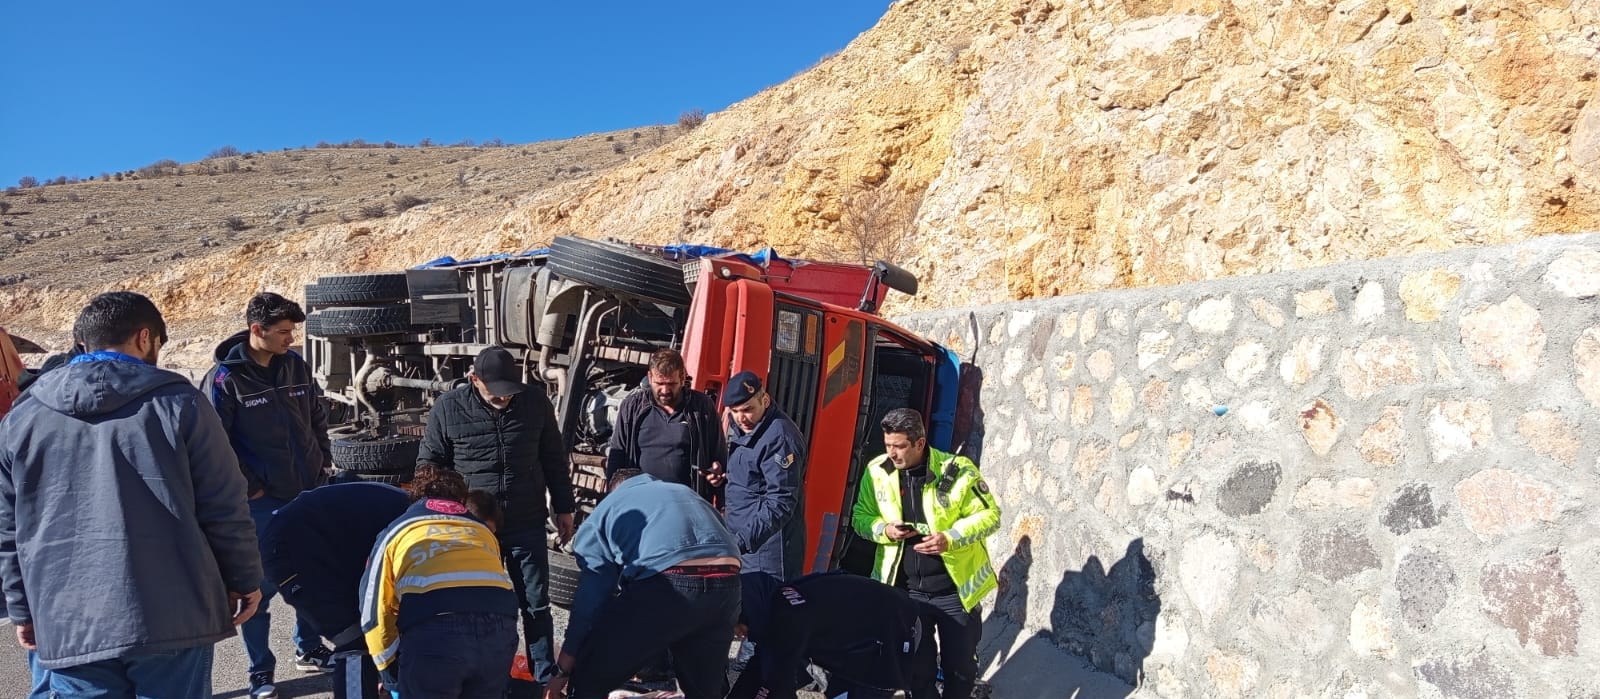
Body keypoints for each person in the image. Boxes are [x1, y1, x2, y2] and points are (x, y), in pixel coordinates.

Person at [0, 291, 263, 698]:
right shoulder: (180, 402)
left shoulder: (23, 417)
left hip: (69, 617)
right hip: (173, 614)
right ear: (145, 339)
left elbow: (10, 526)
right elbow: (224, 503)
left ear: (83, 344)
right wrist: (244, 578)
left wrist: (21, 605)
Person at [417, 345, 577, 687]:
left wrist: (564, 507)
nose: (504, 398)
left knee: (535, 603)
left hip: (525, 521)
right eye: (497, 391)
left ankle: (543, 676)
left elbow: (553, 458)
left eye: (510, 391)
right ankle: (475, 674)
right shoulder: (448, 409)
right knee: (472, 606)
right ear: (475, 380)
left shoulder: (535, 403)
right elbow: (429, 467)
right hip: (471, 529)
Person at [204, 291, 335, 698]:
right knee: (257, 590)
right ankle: (261, 674)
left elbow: (316, 416)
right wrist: (252, 487)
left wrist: (323, 460)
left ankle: (309, 648)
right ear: (256, 330)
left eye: (292, 331)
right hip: (262, 503)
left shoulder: (294, 365)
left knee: (311, 576)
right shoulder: (225, 380)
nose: (290, 339)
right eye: (283, 332)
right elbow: (215, 444)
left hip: (308, 491)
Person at [546, 470, 743, 699]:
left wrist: (563, 669)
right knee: (705, 691)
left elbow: (589, 603)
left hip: (670, 583)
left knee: (591, 674)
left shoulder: (609, 507)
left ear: (614, 489)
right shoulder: (685, 493)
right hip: (728, 582)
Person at [851, 408, 1001, 699]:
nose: (892, 454)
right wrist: (884, 529)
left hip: (954, 592)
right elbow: (860, 517)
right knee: (917, 673)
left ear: (920, 443)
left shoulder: (958, 471)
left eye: (899, 446)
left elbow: (990, 515)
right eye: (887, 446)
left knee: (960, 672)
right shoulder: (877, 471)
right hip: (906, 593)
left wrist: (950, 538)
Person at [360, 468, 519, 699]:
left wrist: (389, 673)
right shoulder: (482, 532)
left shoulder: (397, 531)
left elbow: (374, 613)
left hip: (435, 635)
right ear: (462, 500)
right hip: (500, 631)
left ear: (415, 497)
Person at [260, 479, 412, 699]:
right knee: (355, 641)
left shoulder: (409, 510)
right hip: (292, 551)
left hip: (329, 548)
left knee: (377, 630)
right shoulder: (413, 522)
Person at [727, 572, 936, 699]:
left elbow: (775, 682)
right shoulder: (773, 603)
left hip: (894, 631)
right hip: (865, 634)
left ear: (748, 611)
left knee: (875, 690)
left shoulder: (789, 617)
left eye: (737, 625)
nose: (738, 634)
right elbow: (761, 667)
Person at [722, 370, 808, 579]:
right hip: (744, 543)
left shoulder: (779, 437)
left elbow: (781, 502)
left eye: (748, 409)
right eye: (734, 411)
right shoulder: (747, 429)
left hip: (768, 551)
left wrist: (741, 541)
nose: (741, 418)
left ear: (765, 400)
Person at [606, 348, 727, 492]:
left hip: (684, 501)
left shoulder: (701, 407)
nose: (664, 390)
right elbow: (617, 454)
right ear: (650, 378)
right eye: (659, 384)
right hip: (640, 497)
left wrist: (717, 472)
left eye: (671, 384)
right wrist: (613, 496)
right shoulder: (633, 406)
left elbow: (719, 455)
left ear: (682, 378)